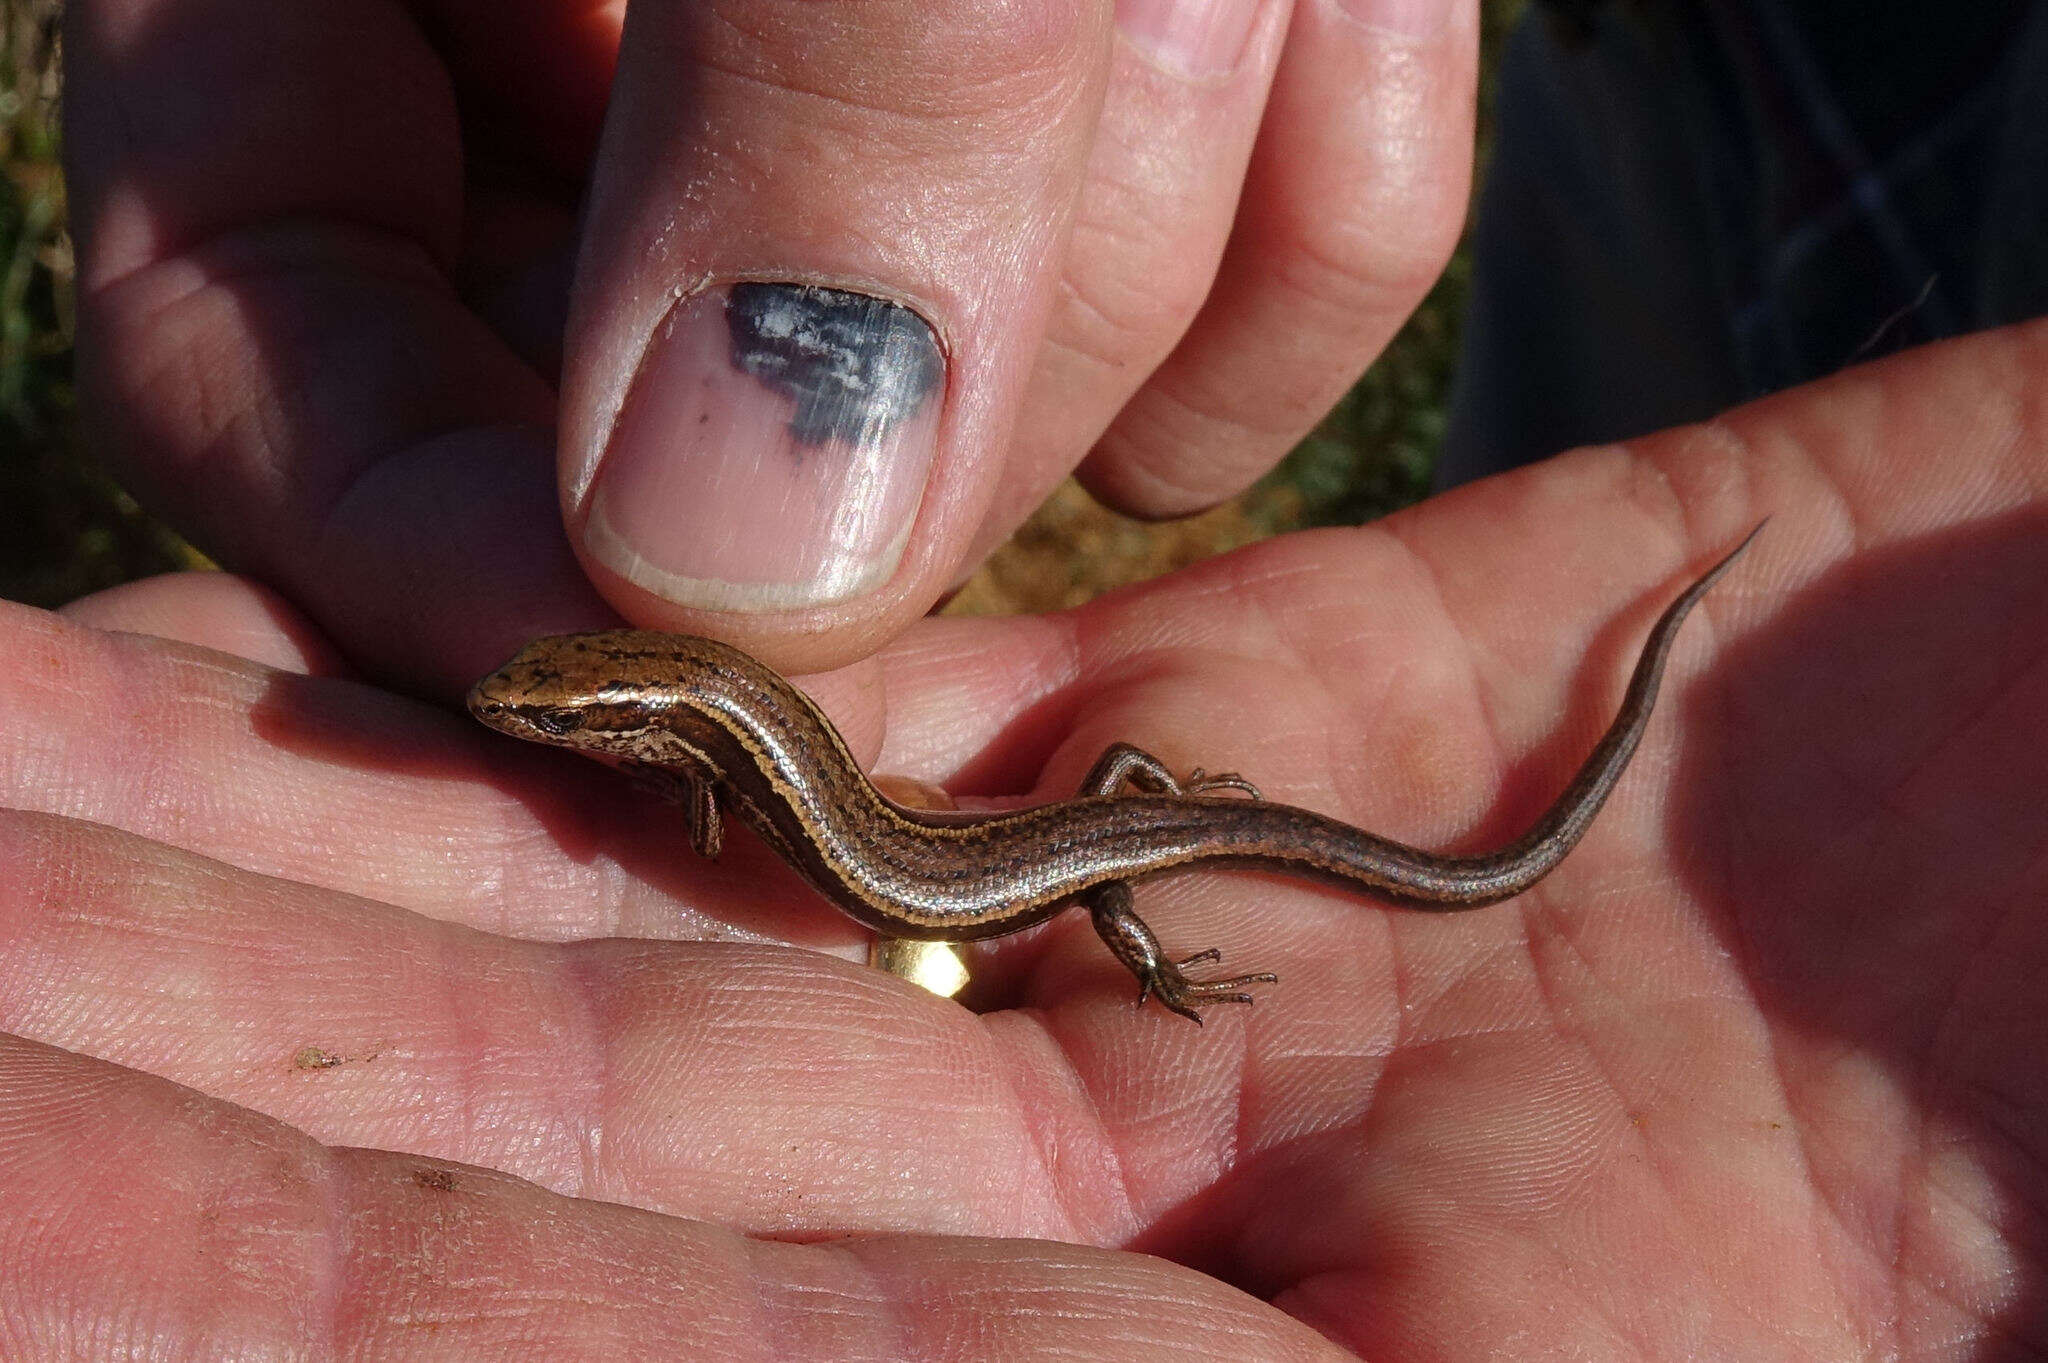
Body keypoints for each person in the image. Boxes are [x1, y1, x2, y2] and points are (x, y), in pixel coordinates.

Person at [3, 0, 2043, 1354]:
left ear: (640, 712)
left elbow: (717, 775)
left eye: (570, 711)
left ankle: (1171, 942)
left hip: (1034, 862)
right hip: (1783, 75)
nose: (545, 716)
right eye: (558, 709)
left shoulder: (708, 765)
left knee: (1151, 864)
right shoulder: (705, 719)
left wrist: (1115, 926)